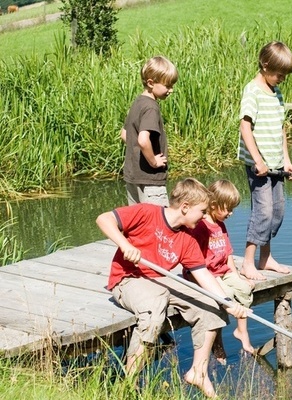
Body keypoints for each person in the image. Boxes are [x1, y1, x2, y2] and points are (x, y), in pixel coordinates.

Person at [96, 177, 248, 398]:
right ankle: (127, 385)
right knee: (154, 307)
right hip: (128, 279)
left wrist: (228, 303)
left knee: (210, 304)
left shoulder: (187, 238)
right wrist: (125, 245)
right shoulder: (146, 212)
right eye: (202, 211)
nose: (204, 216)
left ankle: (198, 372)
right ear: (185, 208)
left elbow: (203, 274)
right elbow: (103, 219)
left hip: (160, 279)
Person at [237, 41, 292, 281]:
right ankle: (248, 262)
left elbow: (281, 128)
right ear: (265, 65)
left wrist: (287, 160)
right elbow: (245, 127)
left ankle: (266, 257)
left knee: (277, 211)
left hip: (276, 164)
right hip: (259, 166)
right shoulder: (252, 91)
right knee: (263, 211)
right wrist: (257, 160)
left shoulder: (277, 93)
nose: (282, 78)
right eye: (279, 73)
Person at [187, 179, 255, 364]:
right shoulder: (201, 227)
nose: (231, 213)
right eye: (229, 209)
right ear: (215, 205)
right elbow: (195, 262)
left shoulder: (220, 225)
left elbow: (228, 254)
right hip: (208, 275)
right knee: (226, 295)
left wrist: (237, 276)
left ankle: (242, 331)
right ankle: (217, 342)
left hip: (222, 271)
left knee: (243, 289)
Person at [120, 56, 178, 207]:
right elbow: (143, 139)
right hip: (150, 180)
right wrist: (153, 161)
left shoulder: (138, 102)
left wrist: (139, 153)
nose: (171, 90)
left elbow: (125, 134)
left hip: (133, 177)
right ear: (151, 83)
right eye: (168, 85)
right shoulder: (151, 107)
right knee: (158, 224)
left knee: (138, 225)